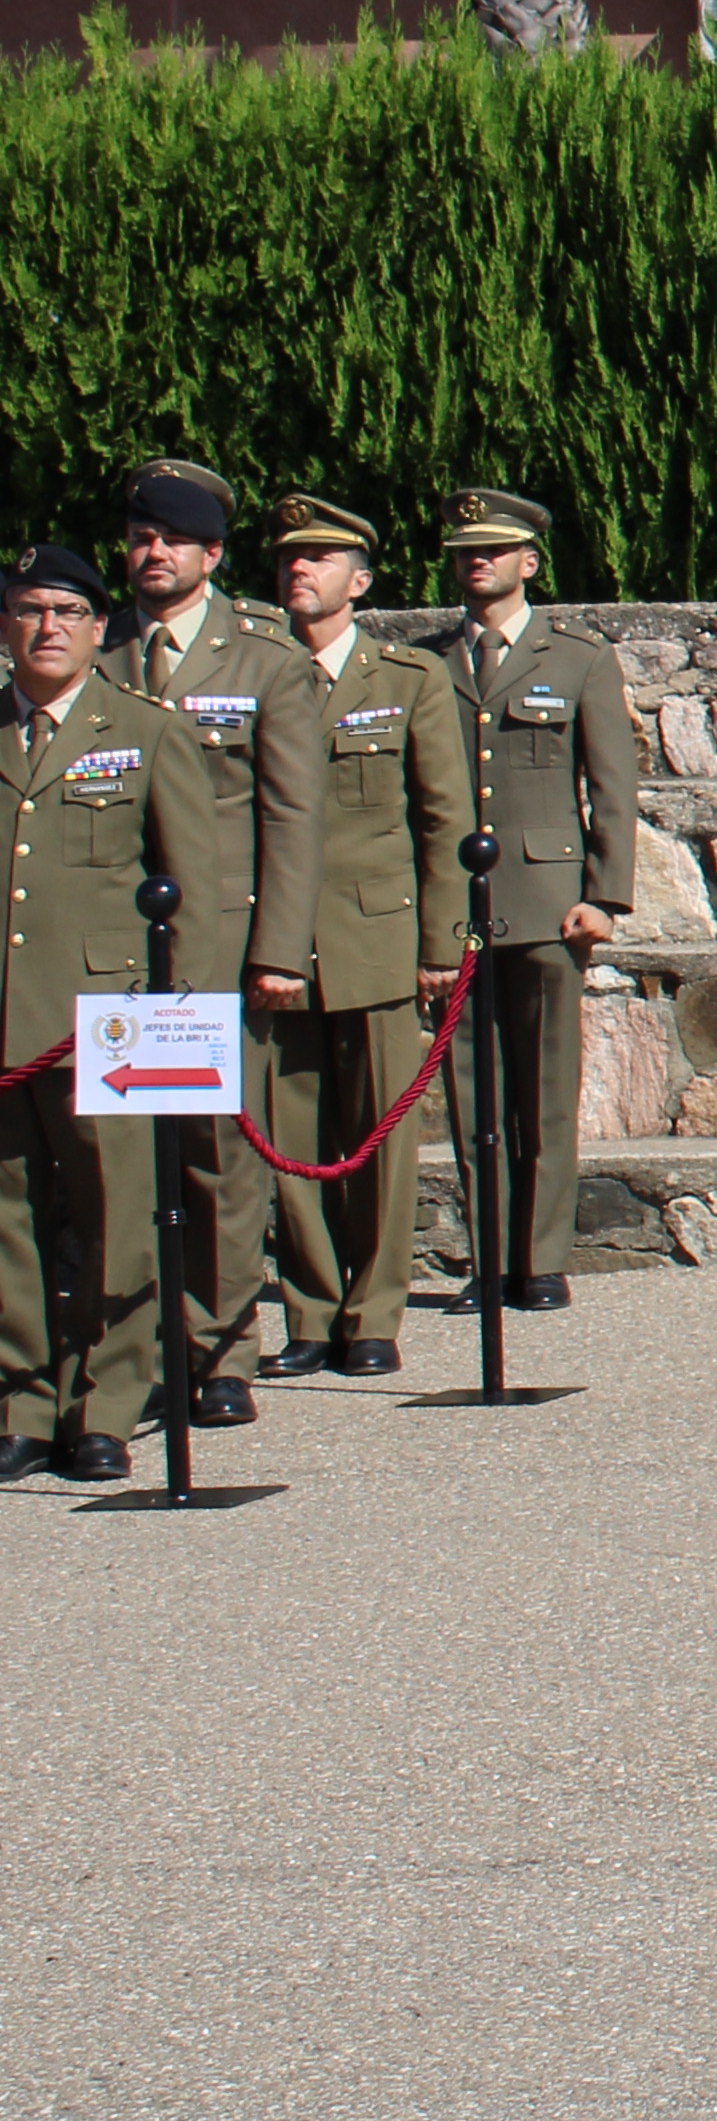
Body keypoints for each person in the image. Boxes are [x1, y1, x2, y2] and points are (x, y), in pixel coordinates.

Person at [0, 546, 241, 1483]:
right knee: (8, 1217)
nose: (48, 627)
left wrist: (183, 1020)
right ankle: (22, 1400)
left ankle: (105, 1404)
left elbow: (191, 891)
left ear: (101, 628)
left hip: (110, 1020)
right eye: (29, 610)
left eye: (67, 610)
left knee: (119, 1216)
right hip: (8, 1026)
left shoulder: (143, 731)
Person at [105, 460, 320, 1432]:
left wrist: (277, 948)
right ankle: (134, 1347)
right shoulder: (102, 657)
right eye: (141, 537)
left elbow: (291, 816)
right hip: (113, 956)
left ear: (212, 553)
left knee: (217, 1153)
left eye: (172, 539)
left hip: (214, 949)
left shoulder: (262, 661)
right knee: (121, 1159)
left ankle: (220, 1348)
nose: (153, 552)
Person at [254, 497, 469, 1380]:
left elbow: (443, 814)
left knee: (380, 1135)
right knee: (290, 1135)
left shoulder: (404, 678)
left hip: (375, 937)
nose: (299, 569)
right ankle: (310, 1310)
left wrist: (439, 943)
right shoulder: (254, 673)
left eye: (321, 557)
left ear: (361, 580)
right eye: (289, 558)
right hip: (278, 941)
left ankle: (374, 1311)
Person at [436, 490, 639, 1316]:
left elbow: (610, 785)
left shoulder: (577, 660)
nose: (475, 561)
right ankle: (490, 1257)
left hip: (551, 900)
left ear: (530, 561)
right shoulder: (427, 665)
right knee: (471, 1090)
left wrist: (606, 896)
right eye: (463, 551)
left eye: (494, 549)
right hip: (459, 906)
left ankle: (542, 1257)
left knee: (546, 1089)